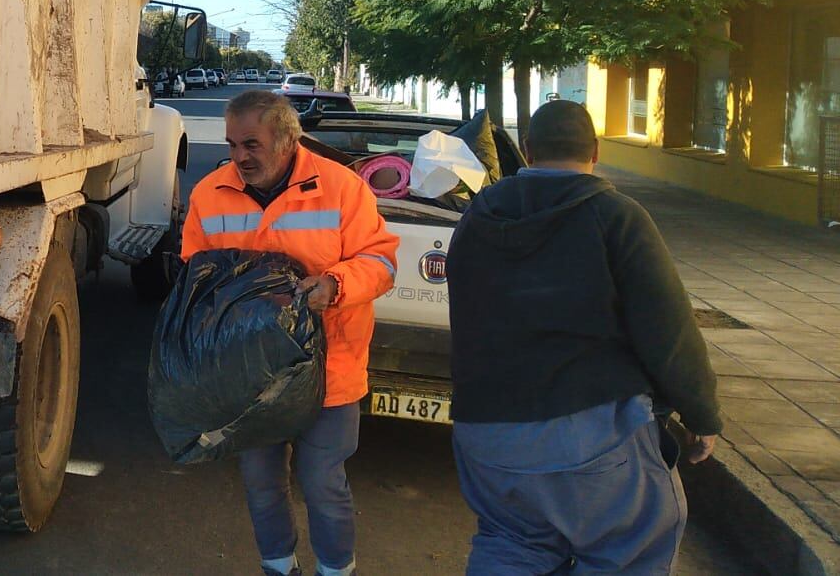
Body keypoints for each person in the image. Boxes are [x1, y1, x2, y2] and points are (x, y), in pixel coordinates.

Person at [447, 100, 721, 575]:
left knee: (512, 544)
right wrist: (701, 412)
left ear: (529, 151)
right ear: (595, 151)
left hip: (485, 433)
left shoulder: (478, 217)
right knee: (631, 546)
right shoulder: (617, 216)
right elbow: (668, 328)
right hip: (590, 434)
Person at [182, 90, 398, 576]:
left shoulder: (342, 189)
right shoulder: (209, 194)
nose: (239, 158)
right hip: (250, 374)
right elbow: (192, 275)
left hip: (329, 369)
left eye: (251, 145)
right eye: (232, 144)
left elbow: (380, 262)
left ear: (287, 139)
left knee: (323, 481)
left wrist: (334, 284)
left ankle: (336, 570)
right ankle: (279, 567)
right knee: (261, 481)